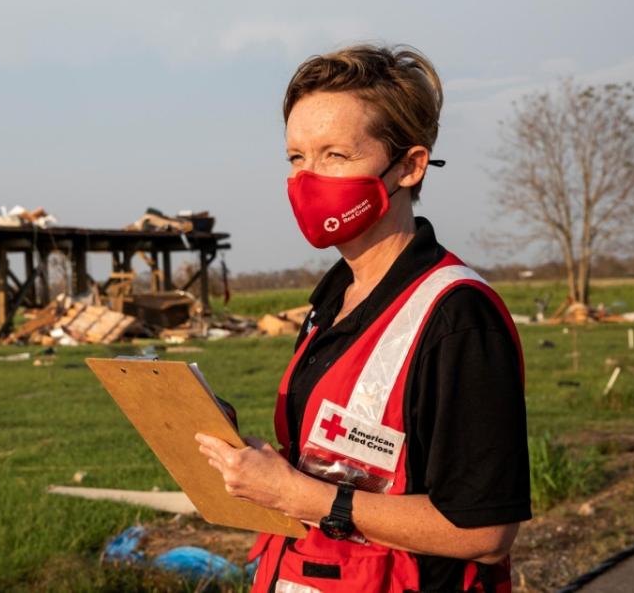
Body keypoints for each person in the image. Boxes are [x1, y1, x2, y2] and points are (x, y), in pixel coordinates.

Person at [196, 44, 530, 593]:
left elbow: (486, 530)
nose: (308, 178)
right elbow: (344, 464)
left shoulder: (457, 317)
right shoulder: (334, 299)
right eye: (296, 157)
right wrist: (258, 467)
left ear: (409, 165)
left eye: (335, 155)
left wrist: (301, 497)